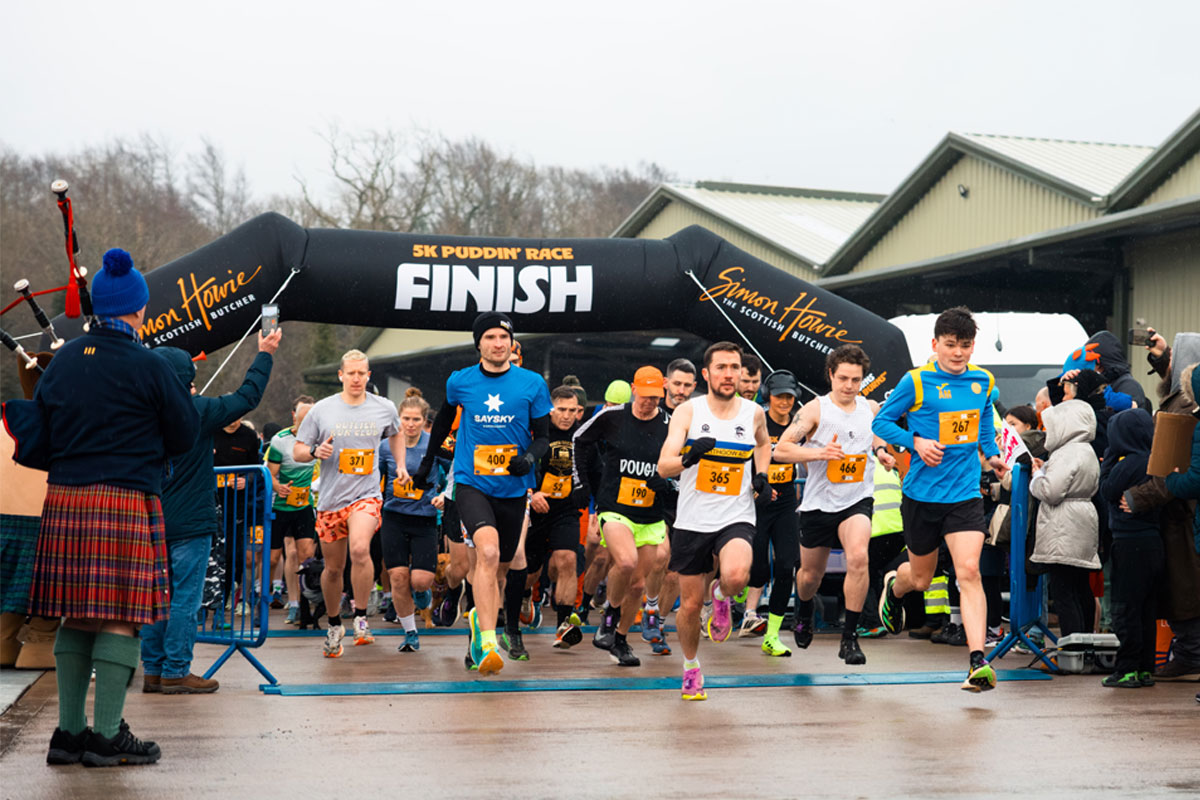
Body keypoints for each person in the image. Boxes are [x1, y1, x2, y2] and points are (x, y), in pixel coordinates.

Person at [26, 248, 199, 765]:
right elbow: (186, 434)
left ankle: (68, 734)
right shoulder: (150, 365)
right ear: (138, 309)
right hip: (124, 499)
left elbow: (42, 429)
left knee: (75, 616)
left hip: (65, 498)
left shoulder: (62, 365)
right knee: (121, 616)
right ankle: (104, 737)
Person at [872, 306, 1007, 692]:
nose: (958, 353)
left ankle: (978, 661)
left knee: (969, 572)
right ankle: (893, 588)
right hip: (921, 496)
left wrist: (991, 453)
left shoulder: (983, 381)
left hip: (964, 495)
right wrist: (914, 441)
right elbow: (880, 422)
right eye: (951, 345)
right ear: (935, 345)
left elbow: (983, 423)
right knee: (921, 577)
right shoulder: (915, 382)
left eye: (965, 345)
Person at [412, 312, 553, 675]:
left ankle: (478, 627)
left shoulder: (532, 383)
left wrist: (529, 458)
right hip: (472, 483)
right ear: (479, 343)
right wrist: (428, 462)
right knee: (486, 553)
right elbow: (443, 419)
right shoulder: (461, 382)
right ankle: (489, 641)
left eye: (503, 337)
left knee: (500, 565)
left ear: (511, 343)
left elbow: (543, 438)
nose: (498, 343)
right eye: (490, 337)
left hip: (513, 488)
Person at [141, 328, 280, 695]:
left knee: (155, 598)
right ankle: (175, 670)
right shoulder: (198, 411)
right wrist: (264, 353)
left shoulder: (139, 415)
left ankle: (153, 670)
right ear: (187, 378)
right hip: (192, 523)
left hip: (151, 521)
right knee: (186, 598)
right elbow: (247, 396)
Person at [658, 342, 773, 700]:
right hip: (693, 519)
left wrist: (762, 474)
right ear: (706, 374)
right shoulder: (688, 412)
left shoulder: (753, 412)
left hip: (736, 514)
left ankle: (722, 594)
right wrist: (690, 457)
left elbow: (764, 444)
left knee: (738, 575)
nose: (729, 374)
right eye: (721, 367)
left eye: (734, 367)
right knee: (690, 606)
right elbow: (664, 466)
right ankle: (691, 667)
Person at [775, 345, 896, 665]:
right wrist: (819, 454)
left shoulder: (870, 408)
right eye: (843, 378)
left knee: (859, 557)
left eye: (856, 379)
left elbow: (878, 437)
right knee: (809, 576)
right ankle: (803, 609)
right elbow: (781, 451)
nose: (849, 385)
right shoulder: (815, 410)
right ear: (830, 374)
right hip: (818, 504)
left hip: (856, 500)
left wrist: (882, 452)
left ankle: (850, 638)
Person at [294, 349, 405, 658]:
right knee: (333, 569)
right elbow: (298, 450)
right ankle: (333, 624)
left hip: (366, 495)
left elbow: (395, 434)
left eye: (362, 373)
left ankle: (360, 619)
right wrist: (315, 451)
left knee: (360, 549)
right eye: (351, 373)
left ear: (369, 375)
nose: (357, 378)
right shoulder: (322, 410)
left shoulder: (384, 408)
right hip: (331, 499)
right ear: (340, 375)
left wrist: (400, 465)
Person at [574, 366, 674, 667]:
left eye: (656, 397)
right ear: (633, 389)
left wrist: (668, 482)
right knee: (626, 561)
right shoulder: (613, 416)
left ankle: (619, 638)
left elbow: (682, 462)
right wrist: (582, 484)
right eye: (644, 396)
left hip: (650, 514)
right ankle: (610, 611)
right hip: (615, 508)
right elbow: (580, 439)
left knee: (637, 585)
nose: (649, 403)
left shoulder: (670, 424)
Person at [1126, 332, 1200, 682]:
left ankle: (1191, 652)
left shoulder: (1187, 405)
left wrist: (1137, 497)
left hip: (1183, 510)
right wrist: (1160, 355)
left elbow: (1175, 465)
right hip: (1181, 509)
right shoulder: (1184, 397)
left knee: (1186, 585)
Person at [1099, 408, 1163, 687]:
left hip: (1128, 543)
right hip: (1153, 543)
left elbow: (1106, 490)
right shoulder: (1154, 461)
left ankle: (1125, 669)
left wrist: (1111, 455)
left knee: (1126, 608)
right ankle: (1144, 668)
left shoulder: (1129, 463)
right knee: (1147, 609)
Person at [1027, 399, 1101, 638]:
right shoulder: (1085, 449)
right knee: (1080, 588)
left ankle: (1072, 649)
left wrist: (1037, 476)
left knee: (1063, 589)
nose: (1048, 431)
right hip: (1082, 519)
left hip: (1063, 524)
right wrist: (1046, 467)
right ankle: (1086, 644)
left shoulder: (1066, 452)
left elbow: (1051, 492)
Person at [743, 369, 803, 656]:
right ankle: (720, 594)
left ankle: (772, 635)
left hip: (786, 502)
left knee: (786, 566)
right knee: (755, 570)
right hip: (756, 501)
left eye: (790, 397)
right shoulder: (759, 421)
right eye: (779, 397)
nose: (785, 402)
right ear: (768, 396)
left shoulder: (799, 425)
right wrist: (758, 486)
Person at [527, 385, 587, 651]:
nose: (566, 416)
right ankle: (527, 595)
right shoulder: (536, 432)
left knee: (568, 559)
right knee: (530, 572)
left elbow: (594, 469)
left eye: (572, 411)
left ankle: (564, 625)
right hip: (536, 508)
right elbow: (519, 465)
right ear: (550, 410)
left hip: (566, 509)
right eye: (561, 410)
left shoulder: (583, 436)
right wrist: (532, 494)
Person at [379, 389, 438, 653]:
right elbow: (372, 479)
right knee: (399, 578)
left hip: (425, 518)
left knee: (420, 581)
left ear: (425, 421)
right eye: (406, 419)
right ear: (398, 419)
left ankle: (423, 595)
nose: (410, 424)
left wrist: (446, 496)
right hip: (394, 517)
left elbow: (459, 470)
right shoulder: (386, 446)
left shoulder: (435, 445)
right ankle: (410, 632)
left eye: (416, 419)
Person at [267, 396, 318, 626]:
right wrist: (279, 487)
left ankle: (306, 605)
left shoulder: (320, 438)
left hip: (305, 505)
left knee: (306, 555)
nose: (307, 421)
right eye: (302, 416)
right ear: (294, 416)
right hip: (281, 506)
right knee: (275, 557)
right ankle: (271, 602)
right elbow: (269, 473)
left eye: (311, 417)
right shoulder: (280, 440)